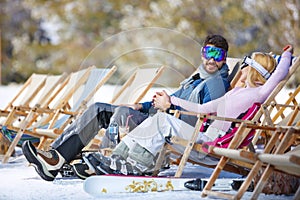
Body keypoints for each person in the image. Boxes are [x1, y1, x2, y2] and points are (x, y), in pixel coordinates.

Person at [22, 34, 231, 181]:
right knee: (99, 109)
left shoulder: (217, 85)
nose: (212, 59)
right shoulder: (196, 79)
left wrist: (169, 106)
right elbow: (173, 98)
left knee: (122, 114)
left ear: (224, 59)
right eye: (208, 52)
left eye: (218, 55)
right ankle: (56, 158)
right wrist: (142, 105)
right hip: (157, 118)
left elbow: (208, 117)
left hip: (171, 129)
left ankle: (108, 160)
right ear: (202, 53)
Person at [78, 45, 294, 177]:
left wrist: (287, 55)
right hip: (205, 135)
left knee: (163, 122)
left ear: (253, 70)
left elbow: (279, 75)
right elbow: (202, 108)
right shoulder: (235, 93)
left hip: (213, 142)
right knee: (159, 119)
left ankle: (137, 164)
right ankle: (119, 157)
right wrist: (171, 101)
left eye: (247, 65)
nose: (243, 68)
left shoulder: (258, 93)